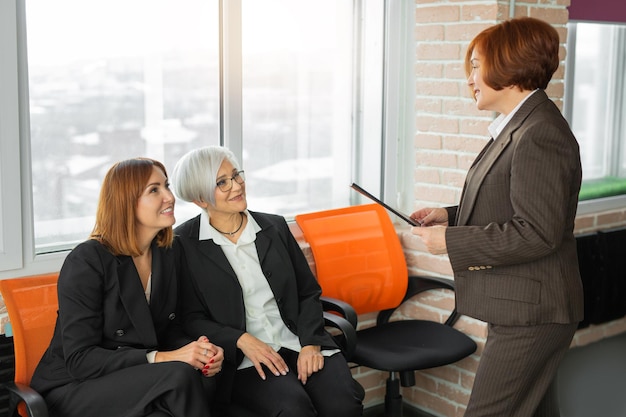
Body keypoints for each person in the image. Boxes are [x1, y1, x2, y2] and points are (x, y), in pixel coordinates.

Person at [410, 17, 584, 417]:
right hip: (525, 306)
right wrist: (449, 217)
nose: (469, 78)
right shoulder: (519, 126)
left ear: (508, 65)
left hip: (533, 312)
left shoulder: (539, 133)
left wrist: (449, 242)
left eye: (475, 65)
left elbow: (538, 232)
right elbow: (515, 205)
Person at [172, 146, 364, 417]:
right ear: (200, 199)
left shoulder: (274, 227)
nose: (237, 186)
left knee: (343, 406)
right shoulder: (183, 244)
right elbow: (190, 317)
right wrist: (240, 339)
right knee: (294, 410)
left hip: (299, 340)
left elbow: (308, 292)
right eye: (222, 182)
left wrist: (311, 343)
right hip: (246, 359)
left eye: (236, 175)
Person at [31, 158, 224, 417]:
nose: (169, 196)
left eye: (166, 186)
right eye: (154, 190)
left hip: (137, 379)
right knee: (179, 375)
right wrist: (162, 358)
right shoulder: (87, 260)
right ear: (126, 202)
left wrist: (198, 351)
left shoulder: (169, 252)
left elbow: (169, 328)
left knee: (199, 377)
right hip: (74, 386)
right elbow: (80, 359)